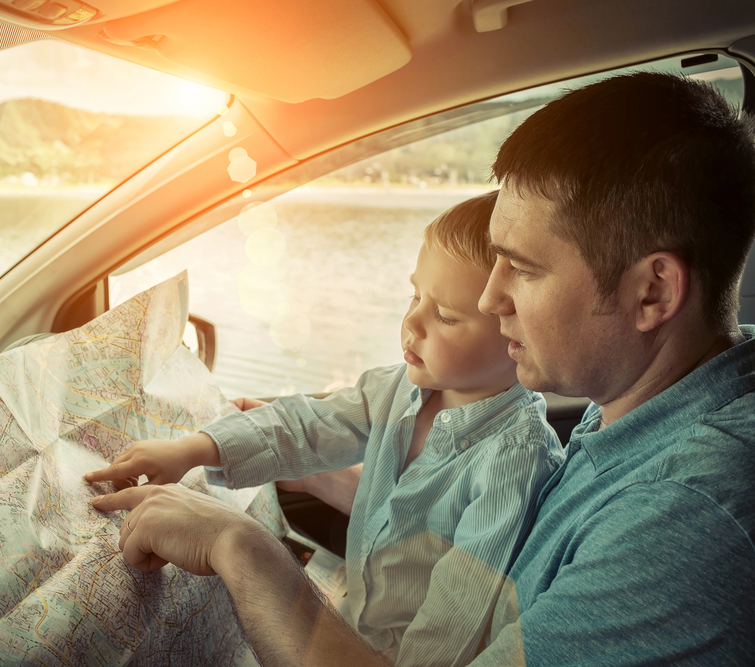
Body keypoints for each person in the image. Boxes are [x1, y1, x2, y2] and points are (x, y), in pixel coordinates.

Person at [91, 71, 755, 666]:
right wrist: (330, 477)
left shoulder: (685, 517)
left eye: (522, 268)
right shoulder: (636, 420)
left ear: (653, 293)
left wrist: (239, 546)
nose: (493, 300)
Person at [87, 191, 563, 665]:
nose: (411, 322)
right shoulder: (399, 388)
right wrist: (196, 448)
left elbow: (459, 614)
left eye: (445, 316)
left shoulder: (515, 460)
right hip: (355, 622)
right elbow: (306, 426)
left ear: (516, 332)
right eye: (415, 295)